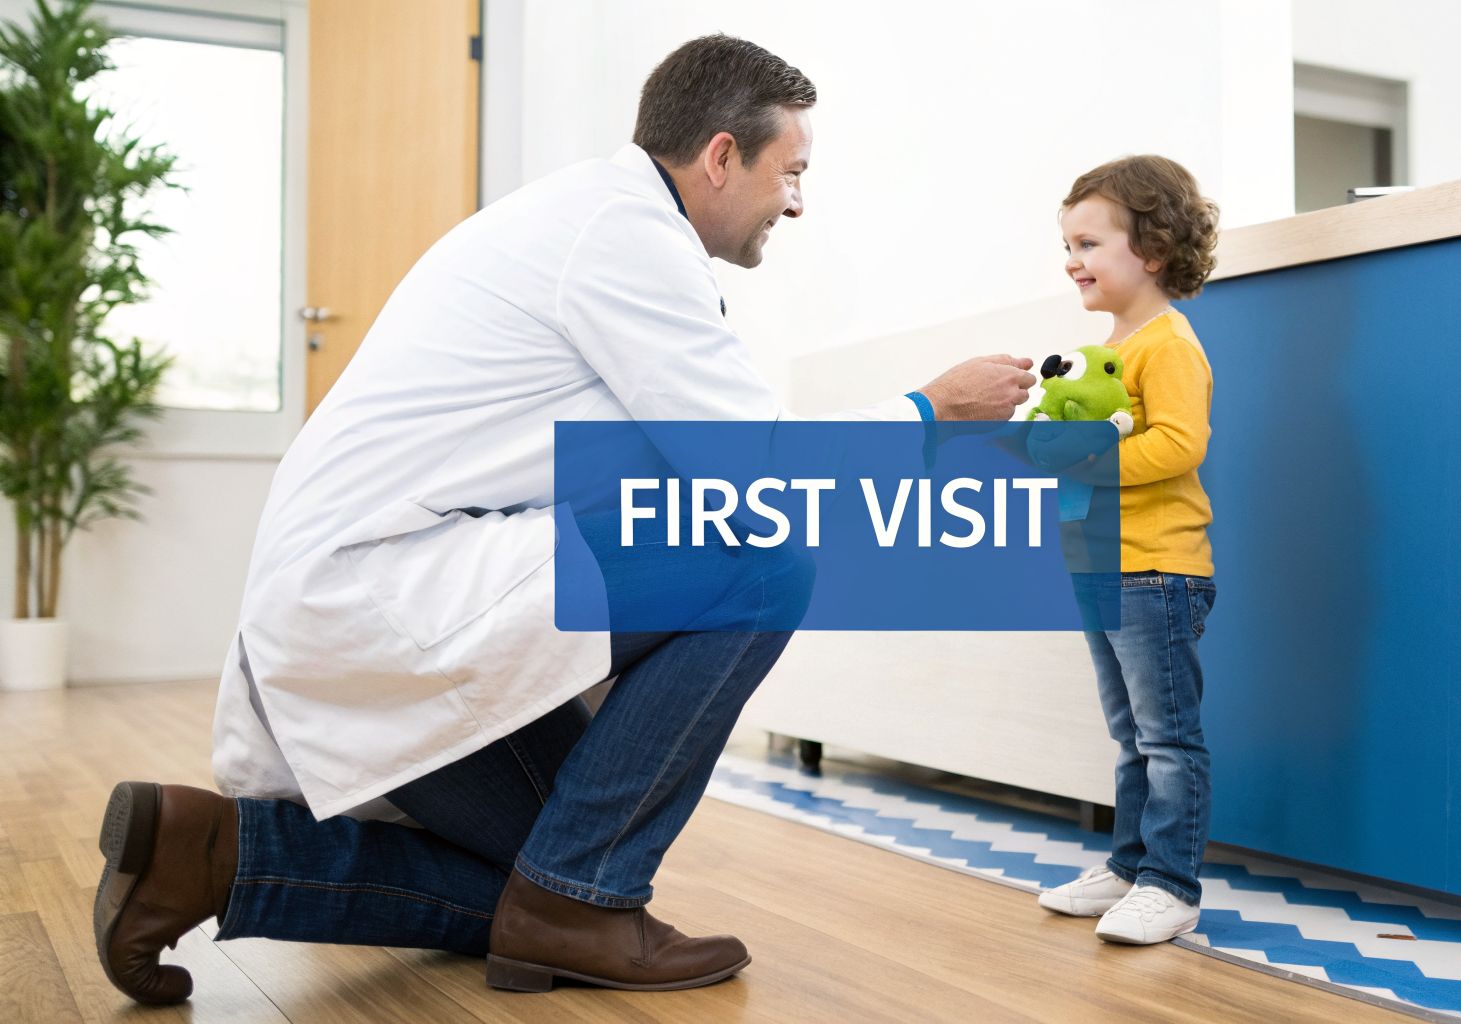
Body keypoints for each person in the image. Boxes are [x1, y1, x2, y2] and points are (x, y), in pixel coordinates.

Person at [92, 34, 1034, 1005]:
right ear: (720, 156)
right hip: (379, 600)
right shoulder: (621, 238)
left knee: (543, 880)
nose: (796, 201)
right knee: (764, 565)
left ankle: (210, 856)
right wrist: (928, 413)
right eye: (789, 172)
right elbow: (753, 471)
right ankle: (576, 903)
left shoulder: (597, 223)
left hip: (379, 602)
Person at [1033, 155, 1221, 944]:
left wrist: (1087, 462)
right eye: (1066, 244)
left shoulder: (1167, 344)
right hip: (1104, 568)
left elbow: (1179, 444)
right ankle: (1129, 865)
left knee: (1167, 737)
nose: (1070, 260)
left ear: (1151, 248)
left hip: (1157, 571)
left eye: (1088, 244)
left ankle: (1172, 883)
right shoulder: (1111, 349)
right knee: (1129, 735)